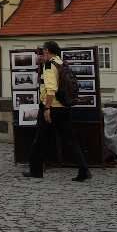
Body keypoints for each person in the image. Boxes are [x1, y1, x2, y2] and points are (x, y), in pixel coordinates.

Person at [24, 40, 91, 182]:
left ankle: (35, 171)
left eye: (43, 51)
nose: (42, 53)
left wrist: (47, 108)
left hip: (52, 107)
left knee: (39, 140)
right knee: (71, 140)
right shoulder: (61, 62)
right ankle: (84, 169)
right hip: (64, 107)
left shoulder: (49, 65)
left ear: (47, 51)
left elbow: (51, 90)